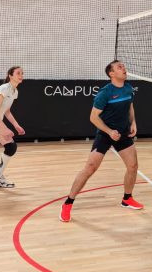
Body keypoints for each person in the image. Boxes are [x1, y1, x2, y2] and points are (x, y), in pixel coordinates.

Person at [60, 60, 143, 222]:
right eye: (119, 67)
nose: (124, 68)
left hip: (123, 133)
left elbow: (130, 106)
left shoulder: (128, 88)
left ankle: (127, 199)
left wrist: (133, 122)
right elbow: (93, 117)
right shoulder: (105, 93)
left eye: (123, 66)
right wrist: (109, 132)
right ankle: (68, 203)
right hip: (106, 133)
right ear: (111, 74)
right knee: (90, 168)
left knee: (133, 166)